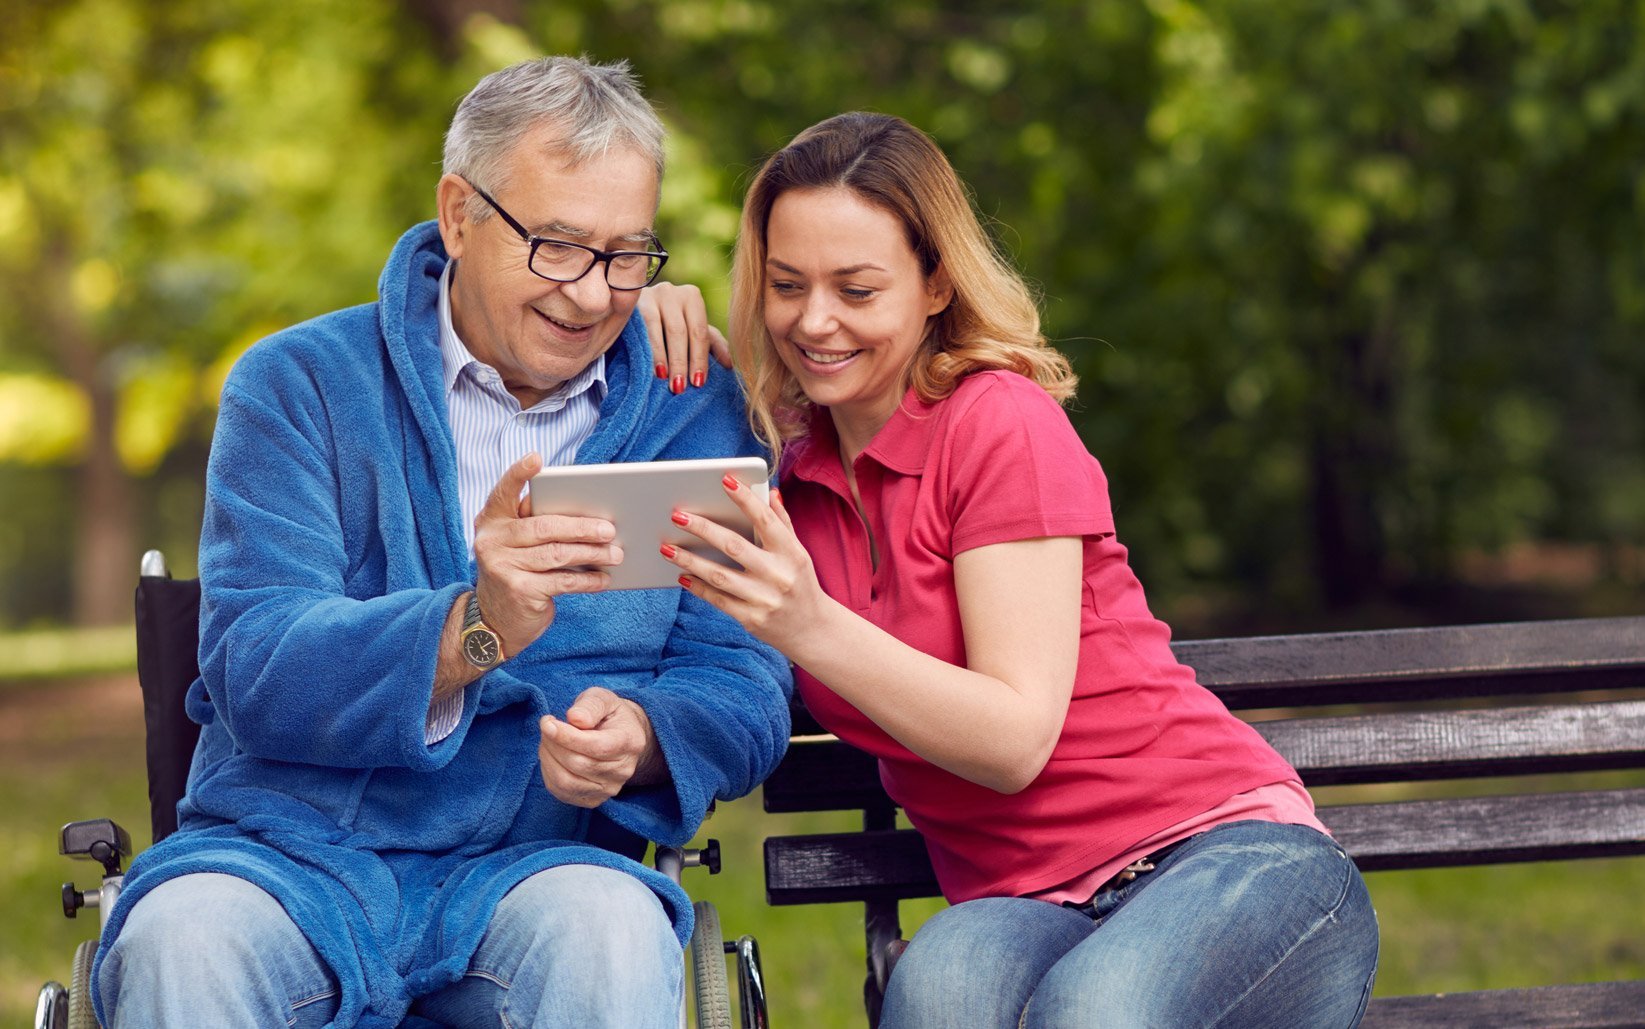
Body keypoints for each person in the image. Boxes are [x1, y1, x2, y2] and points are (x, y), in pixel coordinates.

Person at [92, 57, 791, 1029]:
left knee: (613, 928)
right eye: (556, 245)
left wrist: (646, 741)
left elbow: (742, 681)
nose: (591, 296)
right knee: (179, 938)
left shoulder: (700, 417)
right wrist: (476, 627)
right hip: (281, 863)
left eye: (626, 256)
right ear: (460, 215)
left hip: (531, 871)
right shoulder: (299, 386)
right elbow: (256, 661)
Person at [661, 112, 1380, 1027]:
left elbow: (1013, 739)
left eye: (856, 288)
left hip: (1220, 854)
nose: (814, 320)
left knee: (1090, 1015)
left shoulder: (996, 421)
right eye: (785, 284)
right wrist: (650, 307)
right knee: (935, 1001)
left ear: (934, 284)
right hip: (1021, 902)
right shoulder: (779, 473)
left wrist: (809, 624)